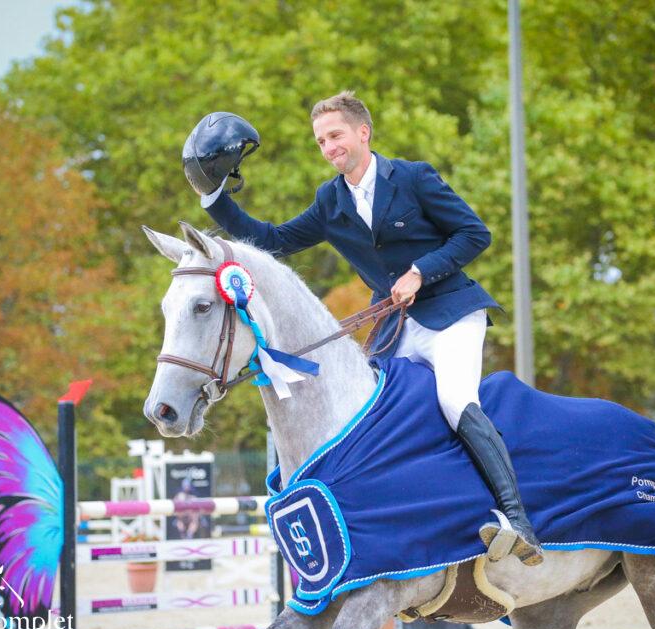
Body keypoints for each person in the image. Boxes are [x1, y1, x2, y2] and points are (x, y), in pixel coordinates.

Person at [185, 92, 543, 566]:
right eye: (320, 141)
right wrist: (211, 196)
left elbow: (475, 233)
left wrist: (420, 271)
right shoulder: (330, 201)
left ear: (362, 133)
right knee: (374, 418)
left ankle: (519, 523)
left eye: (335, 135)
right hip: (394, 325)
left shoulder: (414, 178)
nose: (328, 146)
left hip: (450, 314)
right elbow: (273, 240)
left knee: (455, 401)